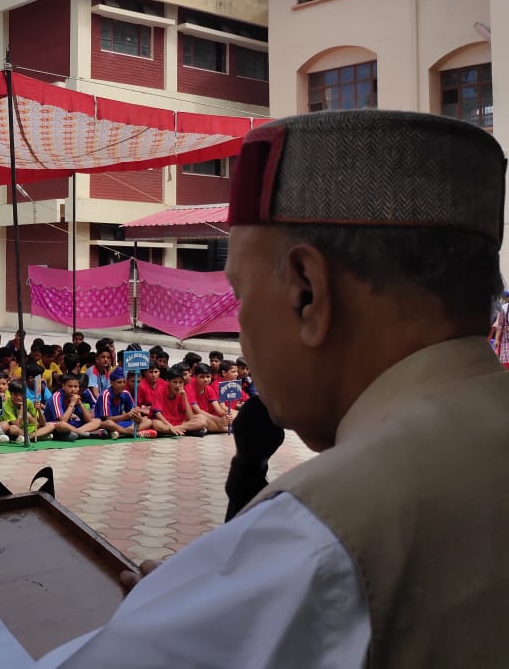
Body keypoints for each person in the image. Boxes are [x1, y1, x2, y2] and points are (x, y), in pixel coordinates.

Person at [61, 110, 509, 667]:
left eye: (242, 295)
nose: (242, 329)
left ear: (307, 293)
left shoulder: (314, 538)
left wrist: (173, 624)